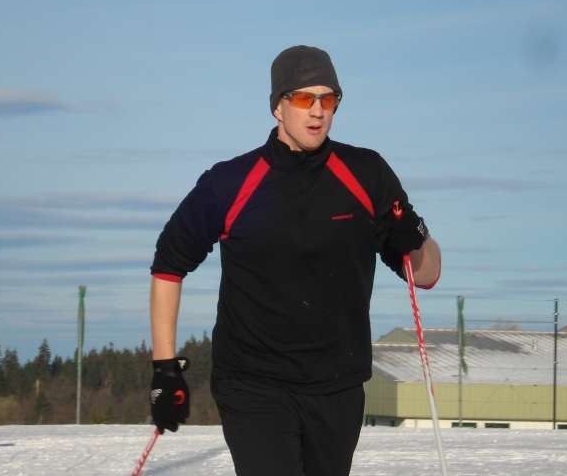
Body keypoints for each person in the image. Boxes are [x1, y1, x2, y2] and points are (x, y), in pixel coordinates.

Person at [148, 45, 441, 475]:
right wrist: (165, 369)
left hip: (337, 387)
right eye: (304, 98)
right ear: (278, 107)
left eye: (329, 99)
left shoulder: (366, 174)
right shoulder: (230, 182)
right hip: (253, 383)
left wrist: (416, 235)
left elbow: (426, 274)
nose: (318, 111)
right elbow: (168, 265)